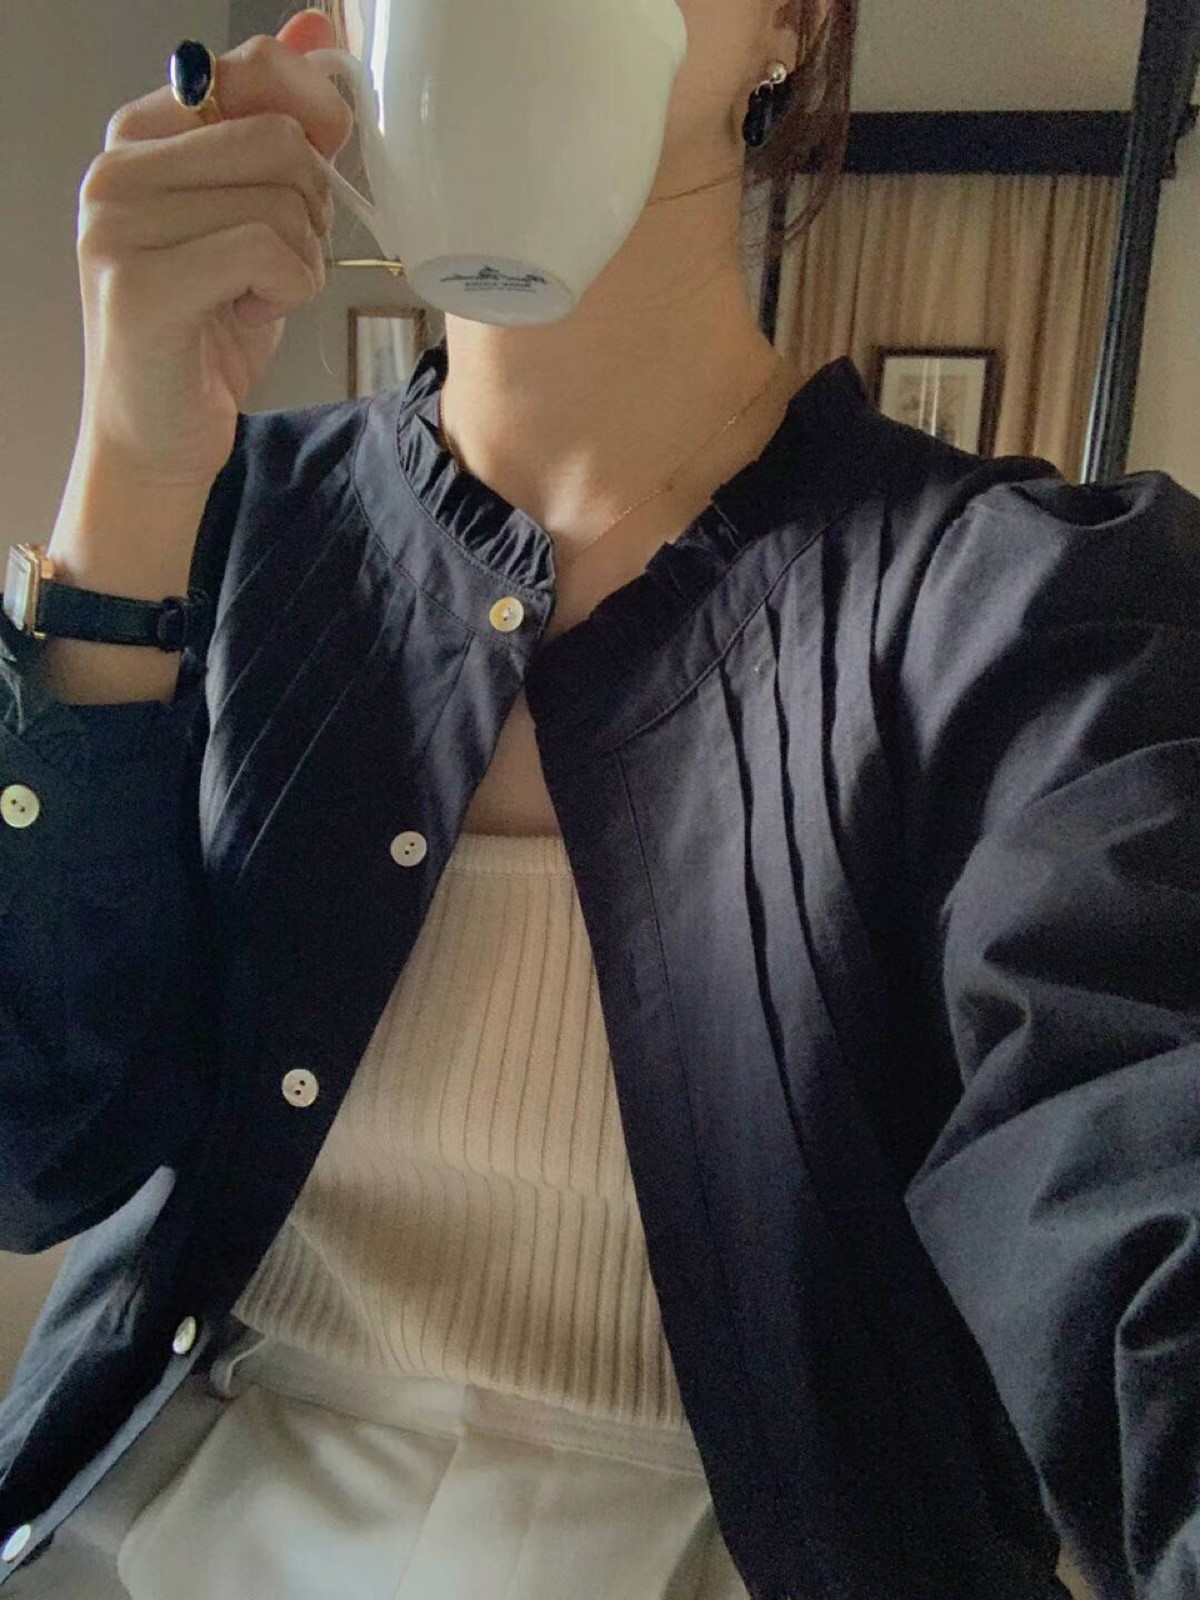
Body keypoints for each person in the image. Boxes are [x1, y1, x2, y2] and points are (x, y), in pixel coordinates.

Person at [0, 3, 1197, 1597]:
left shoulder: (1031, 617)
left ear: (790, 22)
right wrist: (133, 473)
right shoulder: (228, 532)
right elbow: (37, 1151)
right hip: (159, 1518)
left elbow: (1138, 1179)